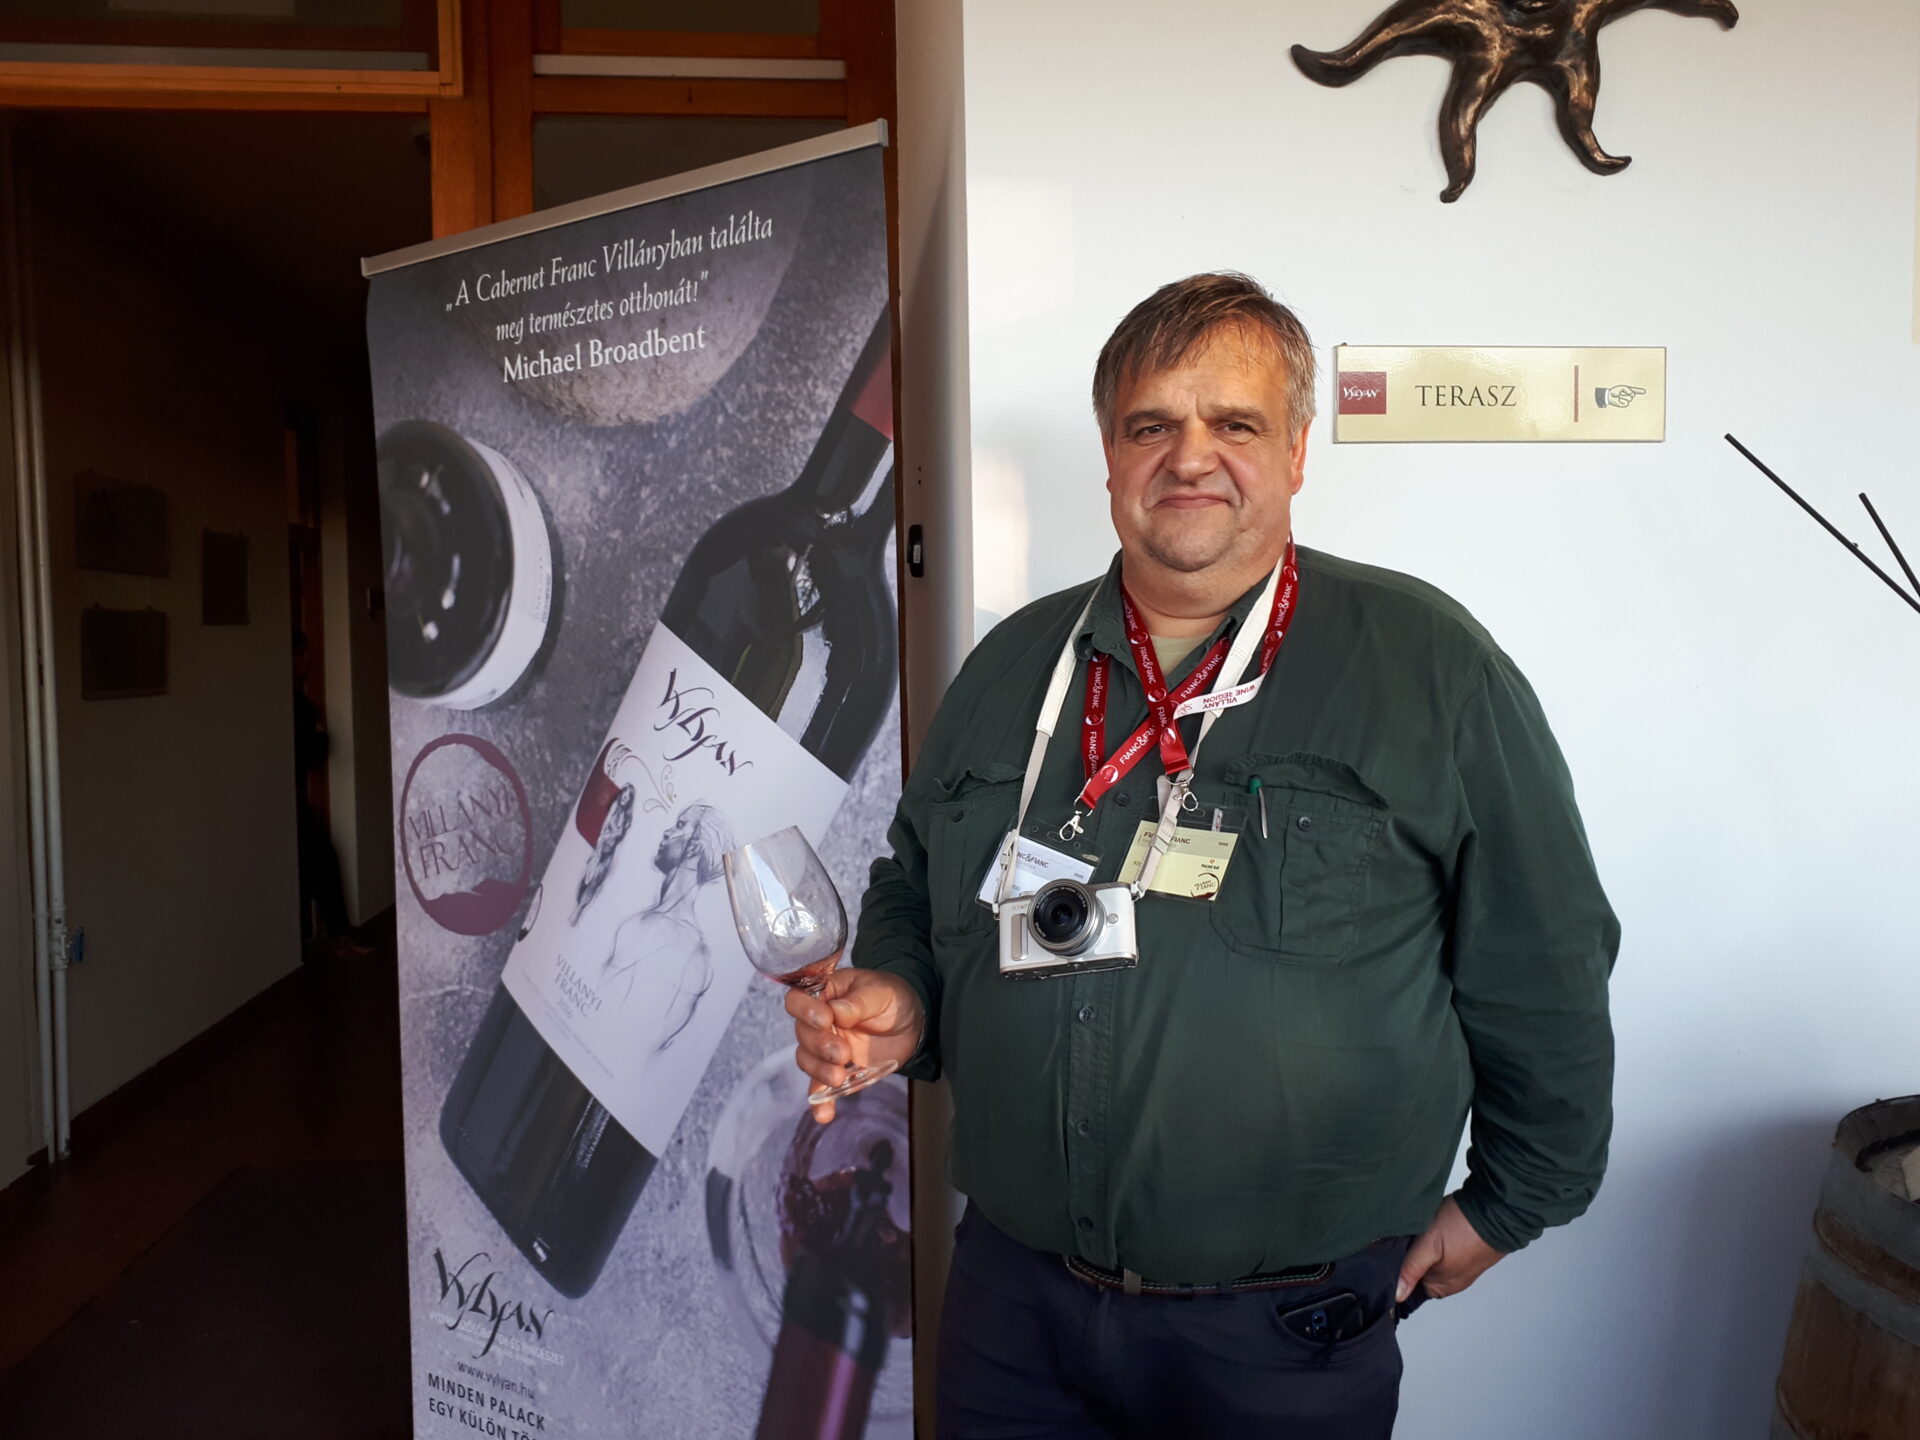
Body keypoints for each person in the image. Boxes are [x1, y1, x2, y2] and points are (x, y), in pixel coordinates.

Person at [787, 273, 1618, 1438]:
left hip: (1280, 1334)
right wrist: (901, 1000)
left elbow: (1546, 953)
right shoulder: (1009, 669)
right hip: (1011, 1308)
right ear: (1111, 456)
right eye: (1151, 426)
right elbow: (915, 886)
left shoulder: (1431, 670)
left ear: (1296, 450)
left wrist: (1510, 1204)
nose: (1190, 457)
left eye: (1234, 422)